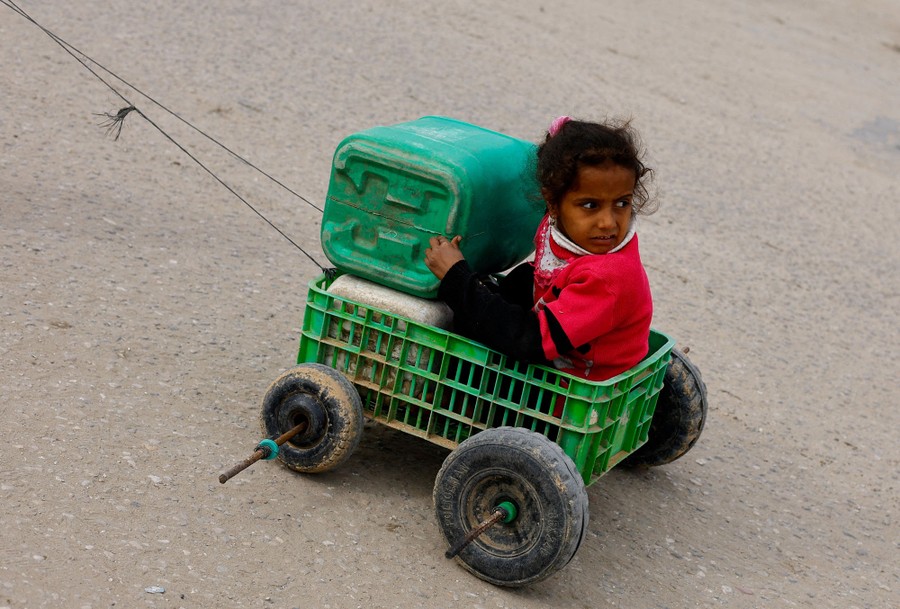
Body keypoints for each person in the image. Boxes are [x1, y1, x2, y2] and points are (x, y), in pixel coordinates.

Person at [424, 116, 656, 382]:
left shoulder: (607, 277)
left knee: (466, 356)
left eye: (622, 203)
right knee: (496, 298)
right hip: (557, 339)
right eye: (590, 206)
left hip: (570, 388)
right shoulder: (558, 227)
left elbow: (529, 342)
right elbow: (539, 277)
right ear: (553, 204)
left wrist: (458, 278)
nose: (608, 222)